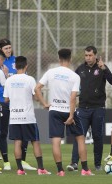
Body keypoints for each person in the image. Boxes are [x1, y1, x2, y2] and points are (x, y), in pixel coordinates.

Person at [35, 48, 94, 176]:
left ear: (59, 58)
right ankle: (85, 169)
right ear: (70, 58)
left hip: (54, 110)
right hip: (68, 111)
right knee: (80, 139)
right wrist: (71, 116)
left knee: (56, 141)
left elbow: (37, 88)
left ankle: (60, 170)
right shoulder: (75, 76)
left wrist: (44, 103)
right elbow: (73, 98)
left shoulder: (51, 72)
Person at [67, 46, 112, 171]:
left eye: (90, 55)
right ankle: (74, 163)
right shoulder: (80, 69)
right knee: (79, 136)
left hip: (98, 108)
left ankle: (97, 164)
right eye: (86, 55)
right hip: (83, 108)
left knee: (97, 136)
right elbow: (72, 84)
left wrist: (104, 69)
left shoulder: (101, 68)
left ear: (95, 55)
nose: (88, 58)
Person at [3, 56, 51, 175]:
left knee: (17, 142)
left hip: (14, 117)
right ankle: (40, 169)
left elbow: (6, 99)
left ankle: (20, 169)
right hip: (28, 117)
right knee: (35, 141)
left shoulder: (9, 80)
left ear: (15, 66)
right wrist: (44, 103)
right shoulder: (30, 79)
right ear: (26, 66)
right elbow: (36, 95)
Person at [0, 38, 35, 171]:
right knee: (3, 132)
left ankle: (23, 160)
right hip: (4, 101)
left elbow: (25, 78)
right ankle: (6, 162)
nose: (8, 50)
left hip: (18, 102)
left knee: (24, 131)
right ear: (1, 50)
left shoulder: (16, 61)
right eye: (5, 48)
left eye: (9, 48)